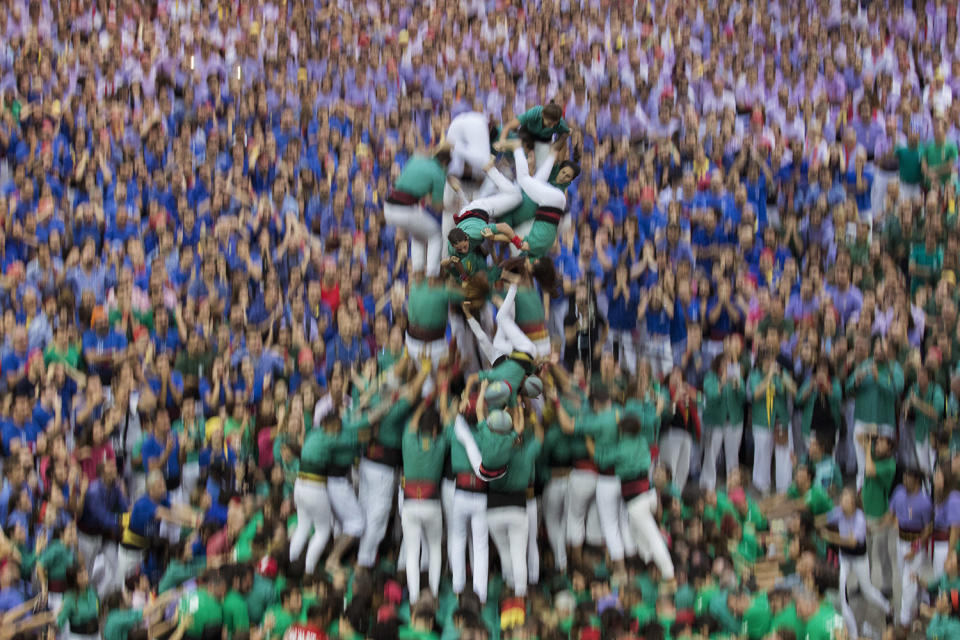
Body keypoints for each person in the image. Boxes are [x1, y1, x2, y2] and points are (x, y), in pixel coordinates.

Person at [818, 487, 890, 638]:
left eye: (846, 500)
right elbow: (821, 520)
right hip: (844, 557)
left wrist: (830, 536)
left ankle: (889, 609)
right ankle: (854, 635)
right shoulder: (838, 512)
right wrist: (820, 523)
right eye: (841, 499)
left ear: (853, 503)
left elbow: (852, 543)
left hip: (858, 558)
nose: (842, 503)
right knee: (842, 595)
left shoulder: (859, 518)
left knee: (867, 590)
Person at [888, 466, 934, 627]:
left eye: (908, 478)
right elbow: (891, 513)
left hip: (916, 546)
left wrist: (914, 548)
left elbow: (928, 529)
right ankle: (924, 603)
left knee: (908, 582)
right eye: (904, 477)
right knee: (905, 577)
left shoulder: (924, 502)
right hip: (900, 541)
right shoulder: (899, 492)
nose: (904, 480)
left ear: (917, 481)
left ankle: (904, 621)